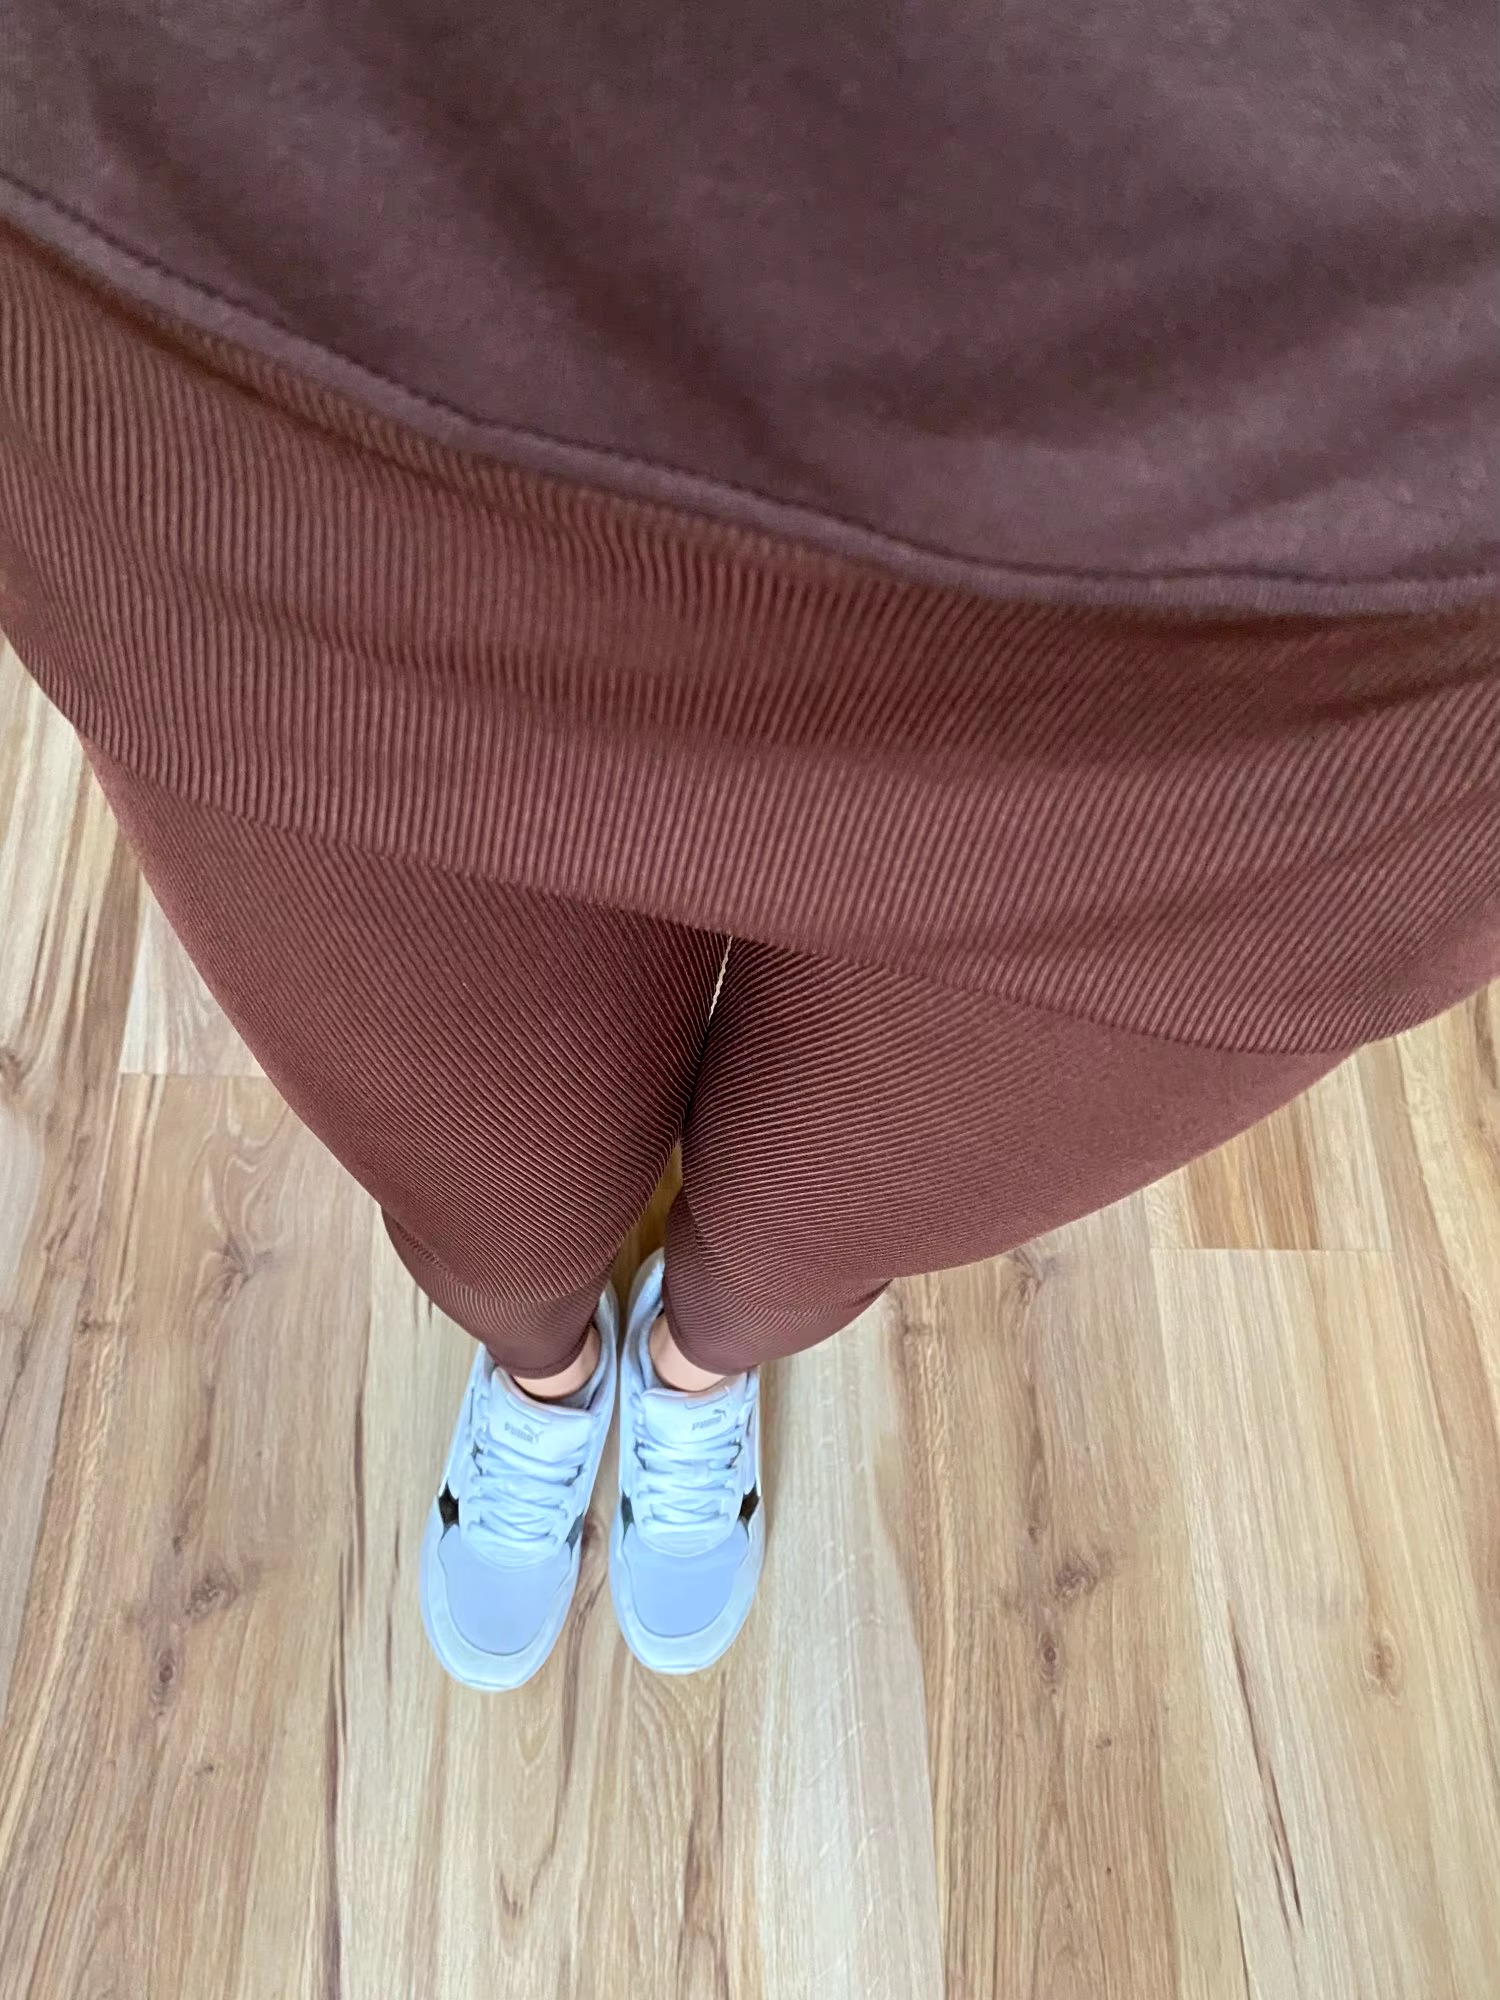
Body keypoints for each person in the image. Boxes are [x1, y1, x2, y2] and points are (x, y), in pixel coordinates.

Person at [1, 4, 1495, 1690]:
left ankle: (693, 1369)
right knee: (494, 1208)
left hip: (1340, 571)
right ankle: (553, 1373)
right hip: (292, 307)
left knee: (812, 1228)